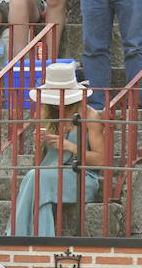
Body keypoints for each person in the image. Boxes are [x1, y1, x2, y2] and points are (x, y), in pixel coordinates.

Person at [10, 61, 106, 237]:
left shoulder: (90, 116)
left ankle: (14, 236)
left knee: (34, 177)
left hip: (81, 177)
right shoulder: (47, 114)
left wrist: (69, 146)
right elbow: (40, 162)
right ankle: (41, 240)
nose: (55, 103)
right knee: (39, 189)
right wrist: (39, 144)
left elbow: (101, 160)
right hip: (48, 173)